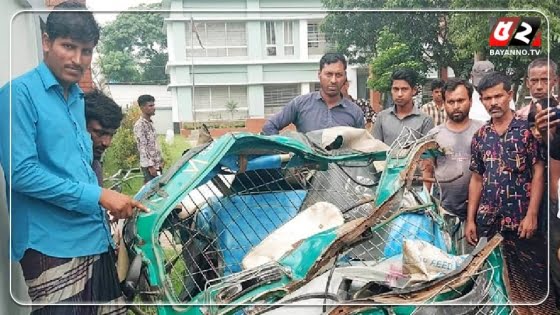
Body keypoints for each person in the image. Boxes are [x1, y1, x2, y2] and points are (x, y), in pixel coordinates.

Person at [0, 2, 148, 312]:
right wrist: (98, 195)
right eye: (68, 46)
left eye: (86, 50)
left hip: (93, 239)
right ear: (46, 42)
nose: (77, 59)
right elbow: (21, 172)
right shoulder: (18, 95)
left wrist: (105, 202)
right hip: (52, 247)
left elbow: (74, 169)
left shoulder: (77, 98)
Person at [464, 71, 554, 312]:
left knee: (536, 284)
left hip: (522, 224)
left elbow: (538, 172)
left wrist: (532, 214)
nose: (493, 103)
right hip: (490, 224)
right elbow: (476, 178)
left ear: (510, 95)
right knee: (496, 282)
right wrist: (470, 219)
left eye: (498, 96)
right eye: (486, 98)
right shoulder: (480, 136)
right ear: (481, 101)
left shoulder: (527, 130)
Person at [428, 79, 484, 253]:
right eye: (451, 102)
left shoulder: (482, 131)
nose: (456, 106)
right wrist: (428, 207)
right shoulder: (435, 135)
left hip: (478, 212)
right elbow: (428, 171)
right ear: (444, 103)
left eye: (461, 101)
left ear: (470, 101)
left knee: (474, 262)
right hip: (444, 211)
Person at [261, 53, 364, 135]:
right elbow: (270, 126)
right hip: (306, 161)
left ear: (345, 76)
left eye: (338, 75)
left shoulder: (355, 112)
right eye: (328, 74)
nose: (333, 80)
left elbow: (361, 148)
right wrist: (286, 150)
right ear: (319, 75)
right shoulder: (301, 104)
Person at [371, 68, 434, 146]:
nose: (399, 94)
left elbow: (428, 154)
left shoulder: (425, 120)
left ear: (414, 90)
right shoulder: (382, 117)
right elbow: (375, 150)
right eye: (396, 89)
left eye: (404, 89)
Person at [85, 89, 124, 186]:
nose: (106, 143)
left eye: (111, 135)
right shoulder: (66, 168)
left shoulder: (95, 166)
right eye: (99, 133)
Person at [134, 94, 164, 183]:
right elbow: (142, 147)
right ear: (142, 108)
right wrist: (150, 167)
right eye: (150, 106)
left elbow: (153, 144)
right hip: (150, 167)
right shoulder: (140, 125)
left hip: (157, 164)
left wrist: (161, 160)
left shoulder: (149, 123)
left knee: (160, 187)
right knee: (151, 192)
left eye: (154, 105)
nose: (154, 108)